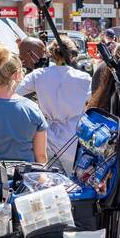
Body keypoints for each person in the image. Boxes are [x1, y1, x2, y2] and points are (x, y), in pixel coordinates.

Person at [16, 39, 91, 172]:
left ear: (51, 54)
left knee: (50, 183)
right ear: (72, 55)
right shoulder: (84, 78)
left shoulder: (39, 75)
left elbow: (16, 92)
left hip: (47, 138)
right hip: (73, 139)